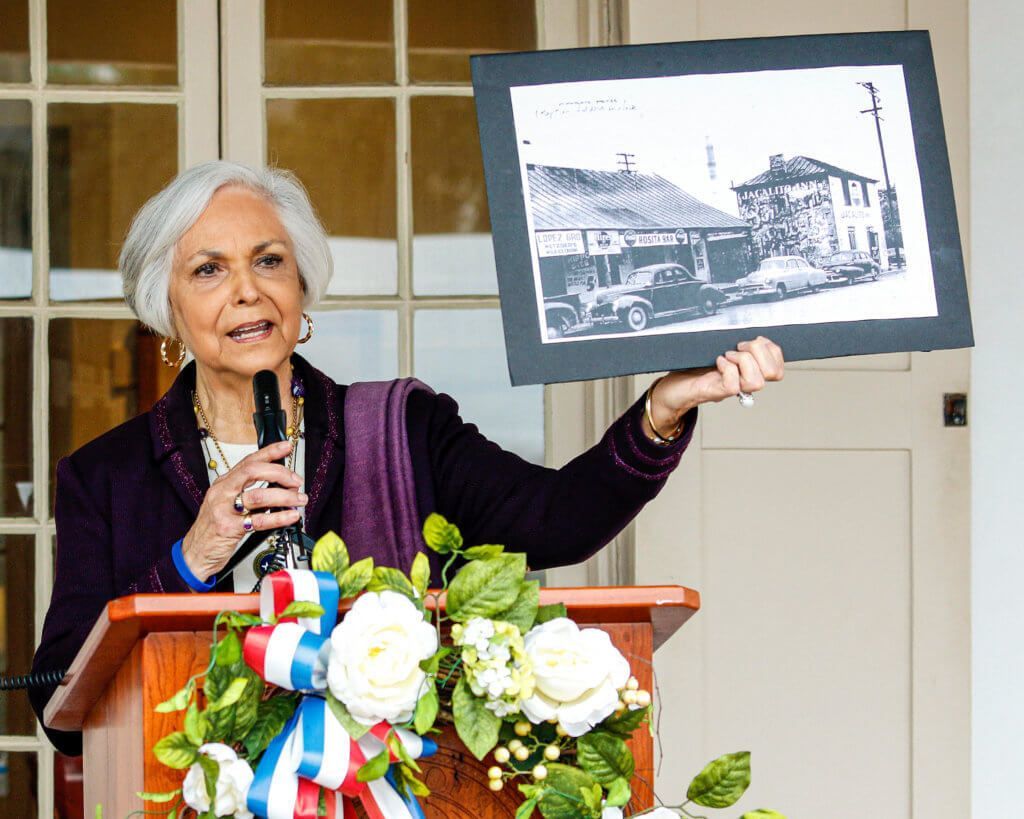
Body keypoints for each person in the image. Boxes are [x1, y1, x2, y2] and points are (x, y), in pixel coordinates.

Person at [29, 161, 784, 756]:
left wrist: (665, 407)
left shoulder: (401, 427)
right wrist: (193, 557)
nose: (247, 291)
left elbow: (557, 521)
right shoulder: (103, 476)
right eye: (208, 270)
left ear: (301, 287)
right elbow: (61, 706)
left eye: (268, 260)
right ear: (168, 307)